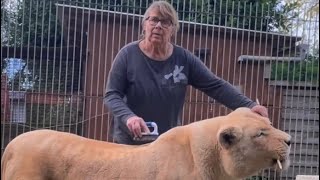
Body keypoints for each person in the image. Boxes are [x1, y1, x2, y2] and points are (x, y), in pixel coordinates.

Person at [104, 1, 268, 145]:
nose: (158, 26)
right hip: (129, 141)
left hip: (166, 142)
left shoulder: (184, 59)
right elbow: (111, 94)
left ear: (173, 29)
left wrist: (250, 105)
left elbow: (216, 85)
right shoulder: (127, 55)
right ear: (144, 24)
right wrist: (129, 117)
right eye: (154, 19)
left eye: (166, 22)